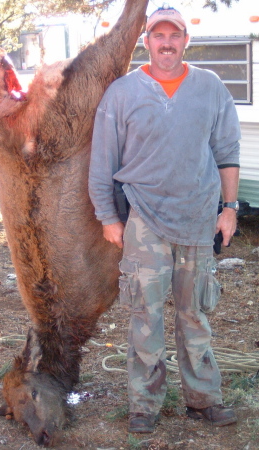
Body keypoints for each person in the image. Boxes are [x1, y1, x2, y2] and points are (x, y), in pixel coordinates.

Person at [89, 5, 240, 434]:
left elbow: (227, 152)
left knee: (195, 315)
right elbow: (103, 162)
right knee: (145, 314)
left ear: (185, 41)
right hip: (145, 220)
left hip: (198, 219)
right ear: (147, 41)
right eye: (159, 35)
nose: (167, 43)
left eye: (175, 35)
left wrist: (229, 209)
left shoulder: (210, 88)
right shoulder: (122, 93)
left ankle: (203, 398)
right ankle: (145, 404)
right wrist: (107, 216)